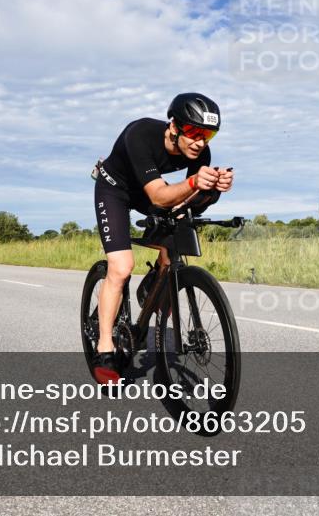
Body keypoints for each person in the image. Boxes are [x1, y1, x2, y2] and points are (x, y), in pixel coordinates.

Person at [91, 93, 233, 383]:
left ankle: (156, 281)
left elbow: (186, 201)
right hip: (115, 190)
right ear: (174, 126)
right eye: (193, 132)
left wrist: (213, 190)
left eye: (208, 135)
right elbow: (158, 194)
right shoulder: (141, 133)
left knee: (178, 226)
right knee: (120, 268)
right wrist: (194, 182)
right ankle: (105, 346)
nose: (200, 142)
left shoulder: (201, 153)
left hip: (148, 191)